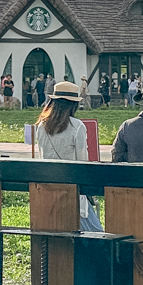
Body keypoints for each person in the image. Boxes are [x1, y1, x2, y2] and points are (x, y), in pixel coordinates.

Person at [36, 81, 101, 229]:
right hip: (72, 189)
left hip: (49, 188)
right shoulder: (77, 126)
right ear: (73, 104)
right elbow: (82, 162)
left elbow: (41, 157)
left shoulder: (42, 126)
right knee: (95, 232)